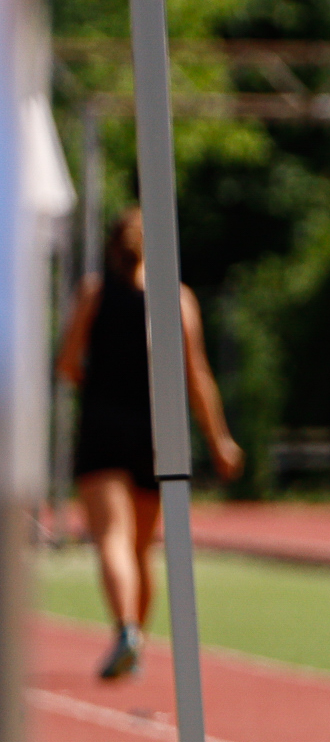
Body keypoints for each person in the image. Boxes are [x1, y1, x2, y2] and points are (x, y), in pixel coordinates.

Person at [53, 210, 244, 679]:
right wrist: (219, 439)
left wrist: (94, 379)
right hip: (155, 432)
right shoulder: (176, 298)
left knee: (111, 538)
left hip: (103, 427)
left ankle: (126, 630)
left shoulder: (95, 292)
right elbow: (196, 376)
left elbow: (67, 362)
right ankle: (136, 640)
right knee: (140, 547)